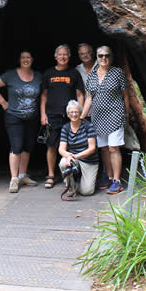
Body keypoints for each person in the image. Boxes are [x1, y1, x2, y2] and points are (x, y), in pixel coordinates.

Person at [0, 50, 42, 193]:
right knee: (16, 146)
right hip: (14, 117)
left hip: (32, 118)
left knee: (27, 146)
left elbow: (46, 93)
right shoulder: (10, 75)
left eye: (28, 57)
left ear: (32, 59)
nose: (26, 60)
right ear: (19, 59)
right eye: (23, 57)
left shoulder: (38, 76)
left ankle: (23, 175)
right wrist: (3, 102)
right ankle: (14, 178)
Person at [81, 46, 129, 194]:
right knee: (104, 149)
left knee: (114, 148)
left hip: (115, 116)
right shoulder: (93, 75)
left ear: (111, 57)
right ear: (96, 57)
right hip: (98, 118)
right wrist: (82, 116)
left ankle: (117, 180)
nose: (103, 58)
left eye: (106, 55)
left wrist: (126, 115)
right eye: (100, 56)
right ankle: (108, 177)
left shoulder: (118, 73)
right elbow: (89, 98)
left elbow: (125, 95)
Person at [40, 44, 84, 189]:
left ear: (69, 56)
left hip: (71, 116)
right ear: (55, 57)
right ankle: (51, 175)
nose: (63, 57)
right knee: (52, 145)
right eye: (60, 54)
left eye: (65, 54)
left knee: (70, 145)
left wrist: (81, 114)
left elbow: (79, 94)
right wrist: (43, 114)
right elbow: (44, 95)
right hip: (53, 115)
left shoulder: (74, 74)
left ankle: (68, 175)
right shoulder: (48, 74)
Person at [58, 100, 98, 197]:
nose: (74, 114)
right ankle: (71, 186)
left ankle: (81, 181)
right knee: (63, 163)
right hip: (74, 158)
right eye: (71, 112)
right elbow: (61, 149)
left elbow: (92, 148)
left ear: (80, 113)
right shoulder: (66, 128)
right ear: (68, 115)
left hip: (89, 160)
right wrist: (68, 156)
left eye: (76, 112)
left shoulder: (88, 126)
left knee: (87, 191)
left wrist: (75, 156)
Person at [75, 43, 96, 119]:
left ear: (92, 53)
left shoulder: (101, 66)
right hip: (86, 112)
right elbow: (78, 93)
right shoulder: (77, 70)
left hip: (103, 110)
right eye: (82, 54)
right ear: (79, 56)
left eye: (88, 52)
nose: (85, 55)